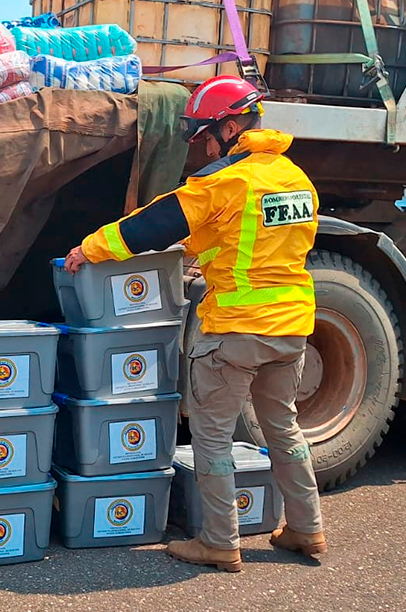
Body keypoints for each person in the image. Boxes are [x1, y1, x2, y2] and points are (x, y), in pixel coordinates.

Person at [63, 75, 325, 572]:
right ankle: (306, 529)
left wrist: (90, 248)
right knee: (284, 428)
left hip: (235, 329)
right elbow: (251, 236)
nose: (203, 149)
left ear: (228, 126)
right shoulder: (295, 178)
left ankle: (220, 542)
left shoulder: (227, 180)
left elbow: (153, 223)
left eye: (205, 136)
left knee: (213, 437)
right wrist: (195, 249)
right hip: (291, 326)